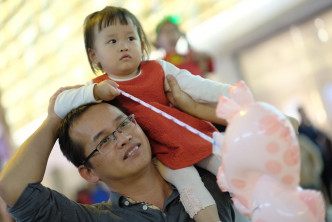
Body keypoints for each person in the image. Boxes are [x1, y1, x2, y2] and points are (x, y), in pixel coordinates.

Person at [55, 5, 230, 221]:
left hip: (191, 136)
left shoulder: (159, 68)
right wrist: (94, 91)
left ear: (142, 43)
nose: (123, 46)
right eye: (112, 41)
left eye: (131, 38)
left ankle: (258, 205)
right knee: (191, 186)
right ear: (94, 56)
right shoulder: (100, 87)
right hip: (163, 156)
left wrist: (231, 93)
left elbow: (198, 86)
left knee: (230, 166)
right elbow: (59, 104)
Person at [0, 85, 235, 222]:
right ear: (88, 172)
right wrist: (54, 119)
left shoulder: (207, 177)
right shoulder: (95, 218)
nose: (123, 138)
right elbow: (14, 188)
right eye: (104, 140)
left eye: (123, 124)